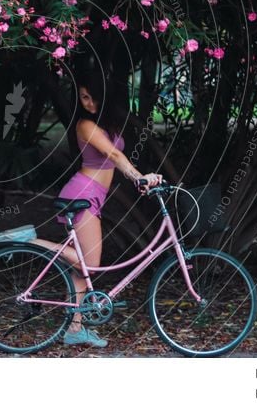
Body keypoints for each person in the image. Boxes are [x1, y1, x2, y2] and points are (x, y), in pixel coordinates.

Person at [31, 72, 162, 347]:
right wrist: (138, 176)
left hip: (92, 194)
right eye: (83, 98)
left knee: (82, 271)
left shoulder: (109, 124)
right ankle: (31, 242)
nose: (88, 103)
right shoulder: (85, 125)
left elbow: (116, 159)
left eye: (92, 97)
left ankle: (75, 329)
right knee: (89, 263)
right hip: (83, 193)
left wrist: (139, 180)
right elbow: (114, 156)